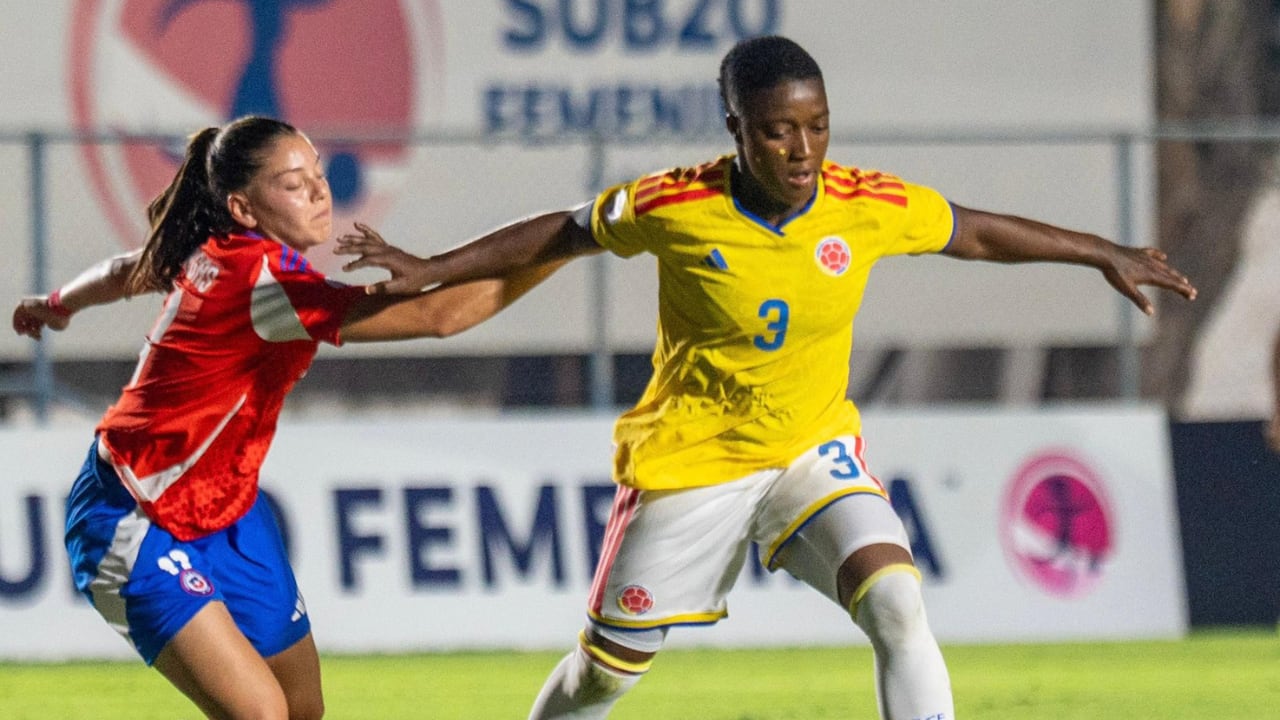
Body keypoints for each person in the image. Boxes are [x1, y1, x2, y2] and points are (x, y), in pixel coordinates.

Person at [337, 36, 1198, 720]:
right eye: (777, 129)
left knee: (896, 602)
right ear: (736, 129)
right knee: (603, 680)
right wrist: (430, 268)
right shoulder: (674, 205)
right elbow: (562, 233)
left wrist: (1104, 253)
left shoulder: (863, 202)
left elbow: (973, 230)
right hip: (693, 465)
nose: (802, 148)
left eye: (817, 124)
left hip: (808, 452)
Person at [11, 115, 559, 720]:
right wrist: (567, 241)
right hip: (132, 513)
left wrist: (56, 304)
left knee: (302, 708)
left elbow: (125, 269)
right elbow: (442, 316)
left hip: (226, 511)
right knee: (262, 714)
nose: (319, 190)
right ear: (244, 209)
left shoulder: (220, 253)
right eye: (294, 183)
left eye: (318, 174)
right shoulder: (265, 283)